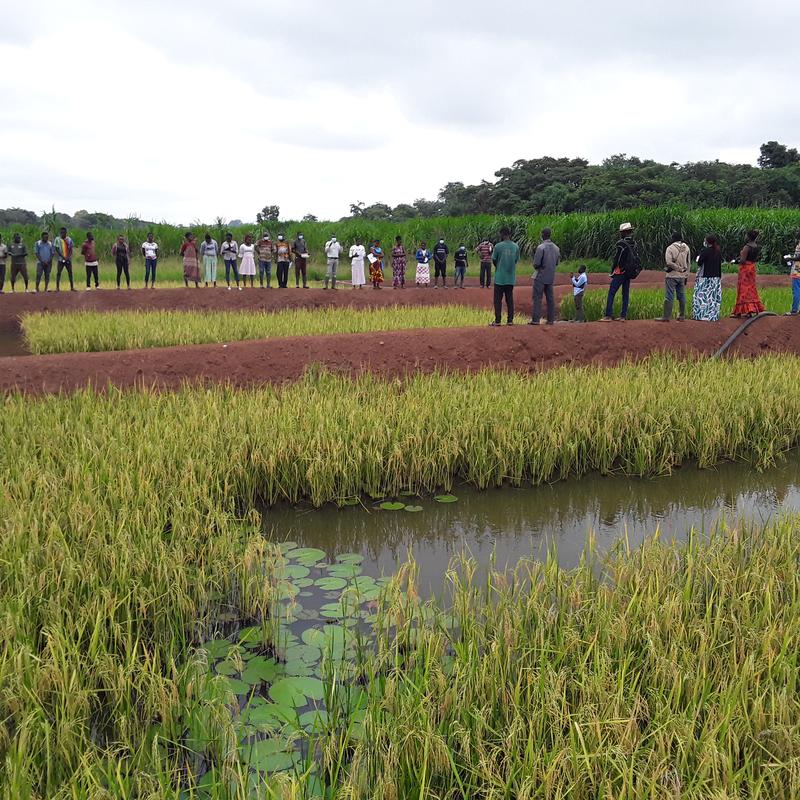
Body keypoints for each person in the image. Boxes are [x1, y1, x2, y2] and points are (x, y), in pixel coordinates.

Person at [601, 222, 640, 322]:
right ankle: (623, 316)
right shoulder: (634, 243)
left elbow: (617, 259)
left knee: (612, 292)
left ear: (624, 232)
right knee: (625, 293)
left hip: (620, 272)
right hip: (629, 272)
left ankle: (608, 315)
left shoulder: (621, 243)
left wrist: (613, 270)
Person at [655, 232, 691, 322]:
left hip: (672, 276)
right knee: (681, 296)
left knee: (669, 296)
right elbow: (688, 262)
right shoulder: (686, 247)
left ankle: (666, 317)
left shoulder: (670, 248)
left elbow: (669, 262)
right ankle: (682, 316)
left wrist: (677, 268)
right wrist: (686, 273)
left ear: (673, 238)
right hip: (682, 276)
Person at [732, 230, 765, 317]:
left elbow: (743, 260)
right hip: (752, 268)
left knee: (743, 288)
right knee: (751, 288)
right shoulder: (756, 246)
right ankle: (750, 310)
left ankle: (740, 311)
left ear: (749, 237)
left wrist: (736, 261)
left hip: (745, 268)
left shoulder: (747, 247)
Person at [490, 227, 519, 326]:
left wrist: (498, 266)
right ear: (510, 234)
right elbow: (515, 260)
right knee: (509, 299)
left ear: (502, 235)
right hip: (510, 278)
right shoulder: (515, 246)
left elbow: (494, 259)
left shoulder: (498, 246)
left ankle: (498, 321)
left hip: (499, 278)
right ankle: (510, 320)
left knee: (497, 300)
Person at [530, 228, 560, 324]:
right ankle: (551, 320)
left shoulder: (541, 247)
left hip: (540, 276)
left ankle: (535, 320)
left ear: (543, 235)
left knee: (537, 298)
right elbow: (557, 263)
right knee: (550, 299)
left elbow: (536, 264)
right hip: (550, 276)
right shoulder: (556, 248)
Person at [693, 234, 723, 321]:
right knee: (712, 297)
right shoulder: (718, 251)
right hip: (716, 277)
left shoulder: (705, 251)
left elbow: (699, 263)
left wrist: (698, 258)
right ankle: (712, 316)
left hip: (705, 277)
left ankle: (701, 315)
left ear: (707, 241)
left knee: (702, 296)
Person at [53, 226, 75, 292]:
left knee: (70, 272)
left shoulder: (69, 239)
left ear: (66, 233)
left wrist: (68, 257)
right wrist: (62, 256)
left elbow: (71, 249)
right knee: (59, 273)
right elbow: (56, 249)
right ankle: (57, 288)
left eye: (64, 232)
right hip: (60, 259)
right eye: (61, 232)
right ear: (60, 233)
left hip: (68, 259)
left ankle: (72, 287)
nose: (62, 234)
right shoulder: (57, 239)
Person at [785, 234, 800, 316]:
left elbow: (799, 257)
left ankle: (794, 310)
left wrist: (789, 258)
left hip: (798, 271)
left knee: (796, 291)